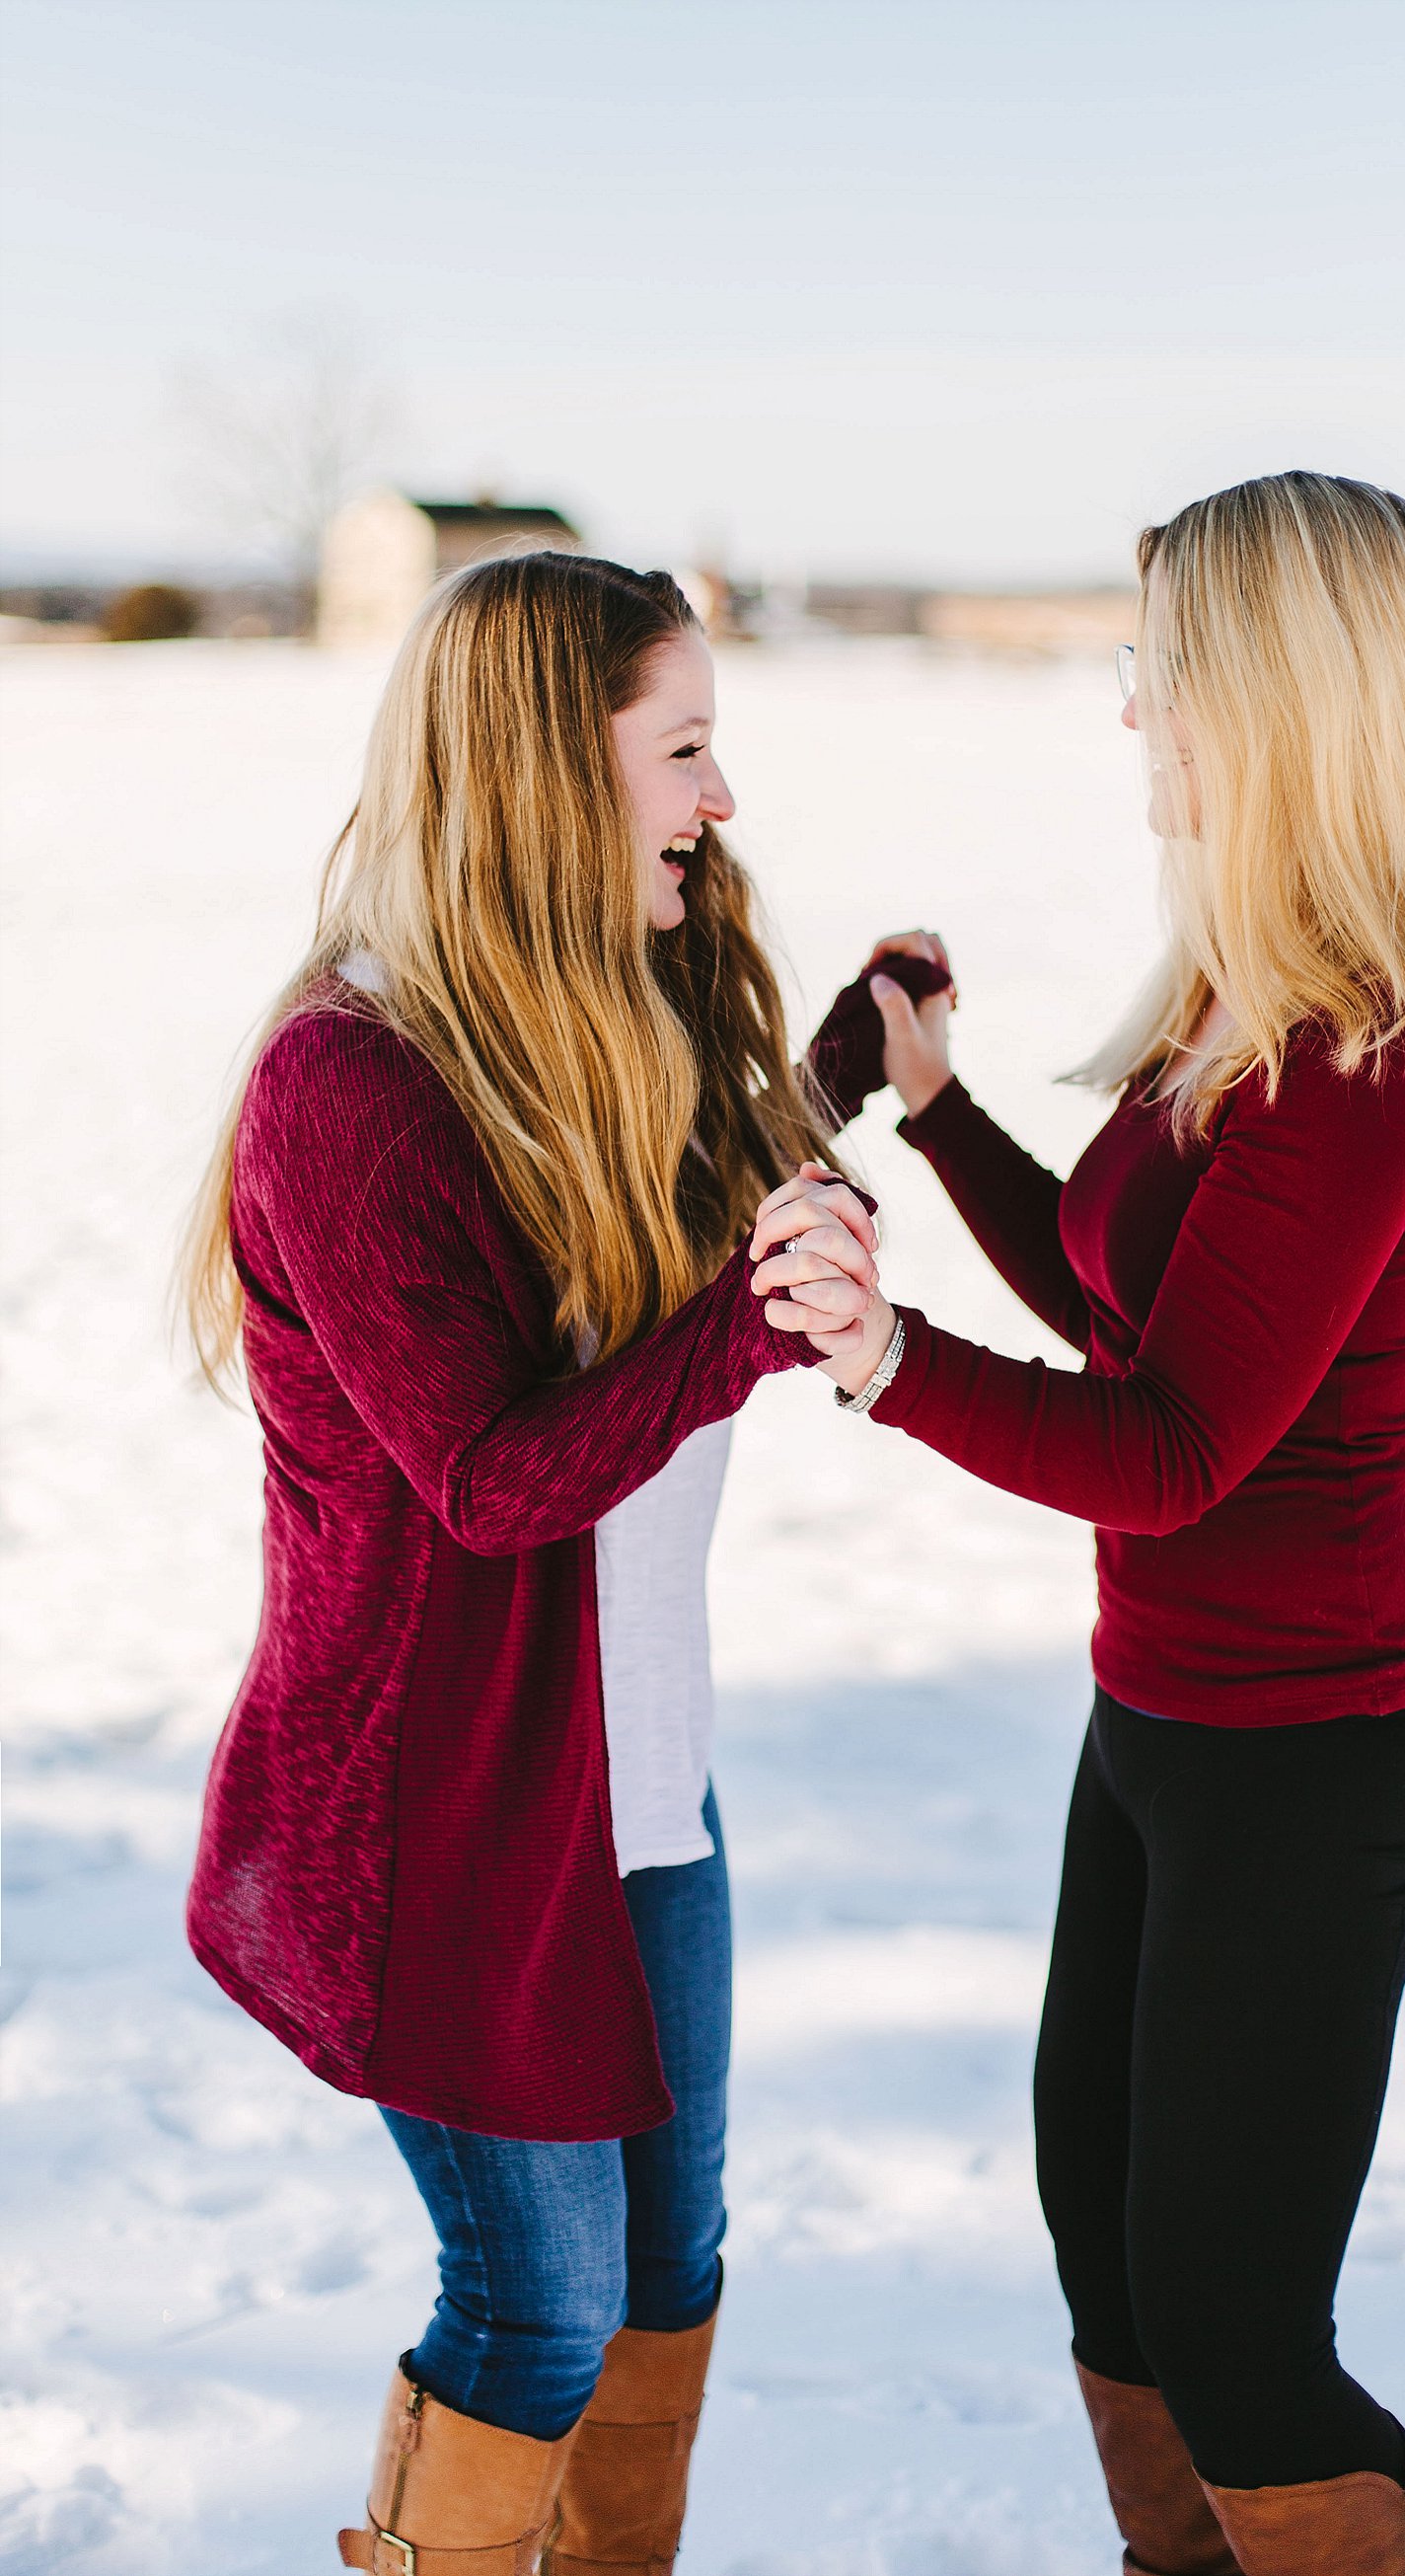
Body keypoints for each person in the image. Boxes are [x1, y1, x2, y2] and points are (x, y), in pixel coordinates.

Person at [752, 469, 1405, 2575]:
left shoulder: (1363, 1055)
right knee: (1116, 2274)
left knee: (1238, 2336)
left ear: (1271, 697)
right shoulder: (1239, 1010)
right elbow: (1129, 1309)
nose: (1130, 716)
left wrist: (883, 1359)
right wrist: (933, 1108)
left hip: (1315, 1758)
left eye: (1158, 671)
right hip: (1164, 1726)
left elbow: (1174, 1447)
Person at [181, 550, 912, 2574]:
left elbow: (691, 1210)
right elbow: (498, 1480)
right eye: (682, 751)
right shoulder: (353, 1085)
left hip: (643, 1792)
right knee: (542, 2311)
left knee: (669, 2277)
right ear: (539, 775)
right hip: (454, 1815)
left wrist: (841, 1059)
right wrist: (758, 1320)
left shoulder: (594, 1015)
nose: (719, 800)